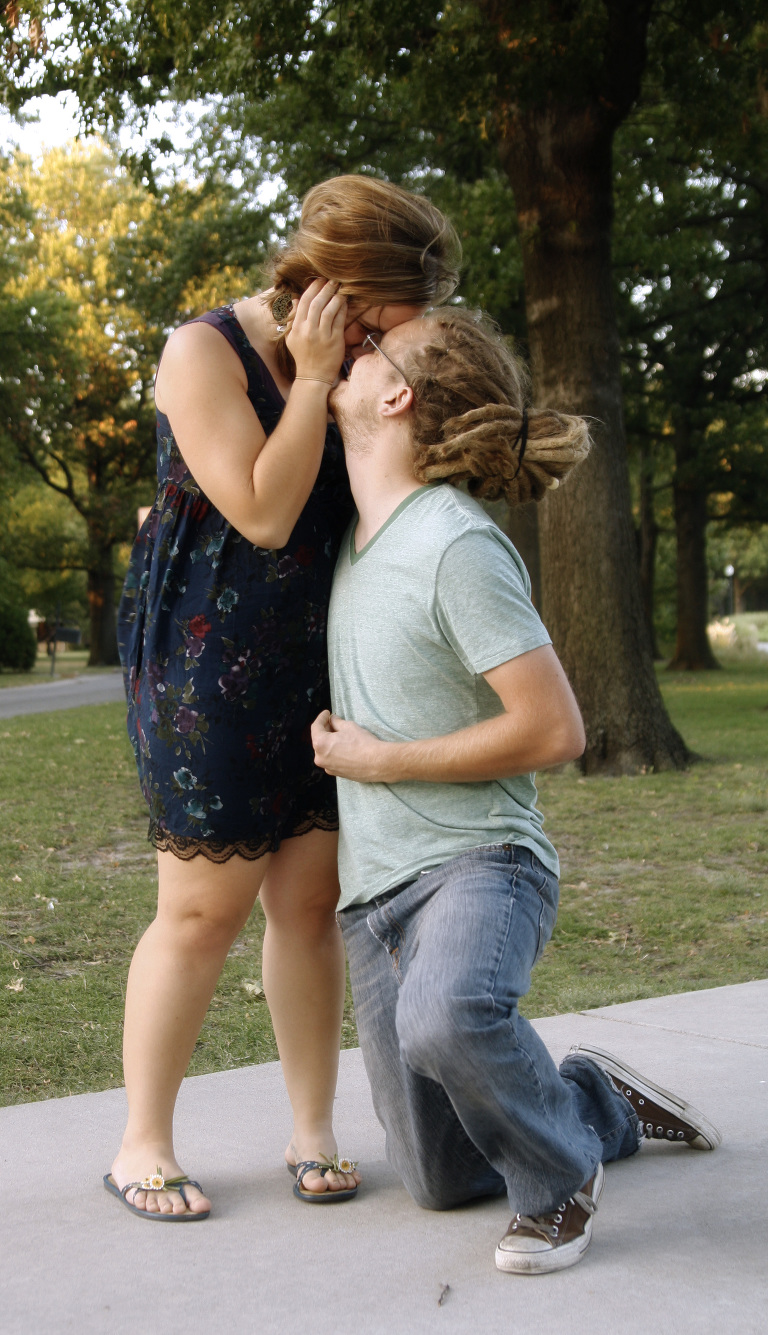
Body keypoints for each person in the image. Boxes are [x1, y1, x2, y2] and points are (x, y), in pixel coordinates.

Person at [312, 306, 721, 1272]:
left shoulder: (456, 542)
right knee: (439, 1176)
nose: (347, 353)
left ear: (397, 394)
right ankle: (598, 1101)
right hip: (372, 896)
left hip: (479, 861)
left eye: (367, 348)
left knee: (447, 1016)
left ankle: (560, 1184)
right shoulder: (349, 532)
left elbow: (555, 729)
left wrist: (381, 760)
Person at [108, 177, 461, 1219]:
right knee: (202, 908)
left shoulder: (367, 356)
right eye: (399, 311)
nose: (405, 335)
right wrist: (308, 380)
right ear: (346, 285)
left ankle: (312, 1130)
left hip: (324, 647)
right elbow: (261, 510)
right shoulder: (201, 351)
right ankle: (142, 1143)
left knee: (310, 901)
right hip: (208, 659)